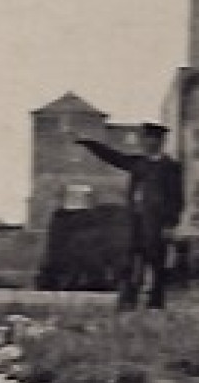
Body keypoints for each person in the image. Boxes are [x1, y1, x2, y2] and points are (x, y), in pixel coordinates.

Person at [70, 122, 184, 310]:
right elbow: (112, 156)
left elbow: (177, 198)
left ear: (161, 142)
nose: (148, 143)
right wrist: (88, 143)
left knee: (156, 264)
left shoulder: (170, 167)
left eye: (153, 139)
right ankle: (127, 303)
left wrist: (171, 224)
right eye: (146, 139)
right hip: (135, 221)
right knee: (130, 262)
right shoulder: (138, 163)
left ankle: (155, 305)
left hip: (157, 224)